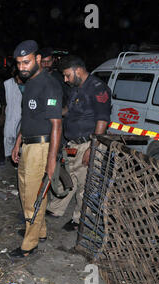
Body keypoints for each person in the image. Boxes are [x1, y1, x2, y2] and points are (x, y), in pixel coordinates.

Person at [46, 55, 111, 231]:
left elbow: (103, 120)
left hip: (89, 143)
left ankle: (79, 220)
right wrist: (54, 112)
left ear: (78, 70)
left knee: (85, 184)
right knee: (67, 178)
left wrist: (93, 147)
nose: (65, 80)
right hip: (73, 144)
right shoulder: (76, 89)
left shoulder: (98, 88)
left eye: (67, 75)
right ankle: (56, 209)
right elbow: (69, 110)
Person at [10, 40, 63, 258]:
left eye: (26, 62)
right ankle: (39, 230)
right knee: (25, 190)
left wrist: (51, 160)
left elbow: (56, 125)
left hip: (42, 147)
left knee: (34, 195)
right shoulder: (30, 83)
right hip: (28, 145)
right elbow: (28, 117)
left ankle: (29, 245)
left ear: (38, 59)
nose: (22, 67)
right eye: (19, 63)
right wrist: (17, 142)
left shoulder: (49, 84)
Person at [3, 67, 23, 161]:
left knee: (19, 136)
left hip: (21, 113)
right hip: (10, 113)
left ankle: (17, 155)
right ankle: (9, 154)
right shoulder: (7, 83)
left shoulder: (25, 84)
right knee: (8, 134)